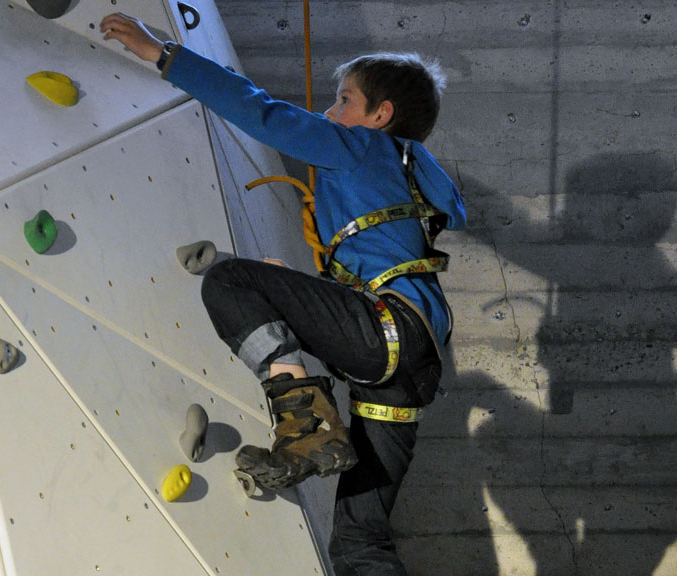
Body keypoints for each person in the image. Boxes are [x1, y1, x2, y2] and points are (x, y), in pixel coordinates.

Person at [100, 13, 465, 575]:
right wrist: (302, 293)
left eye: (344, 100)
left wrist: (163, 53)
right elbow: (377, 266)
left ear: (379, 116)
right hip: (413, 364)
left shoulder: (364, 147)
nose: (329, 114)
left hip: (384, 329)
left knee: (230, 279)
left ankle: (305, 427)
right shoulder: (411, 172)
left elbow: (262, 112)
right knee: (360, 543)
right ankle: (309, 431)